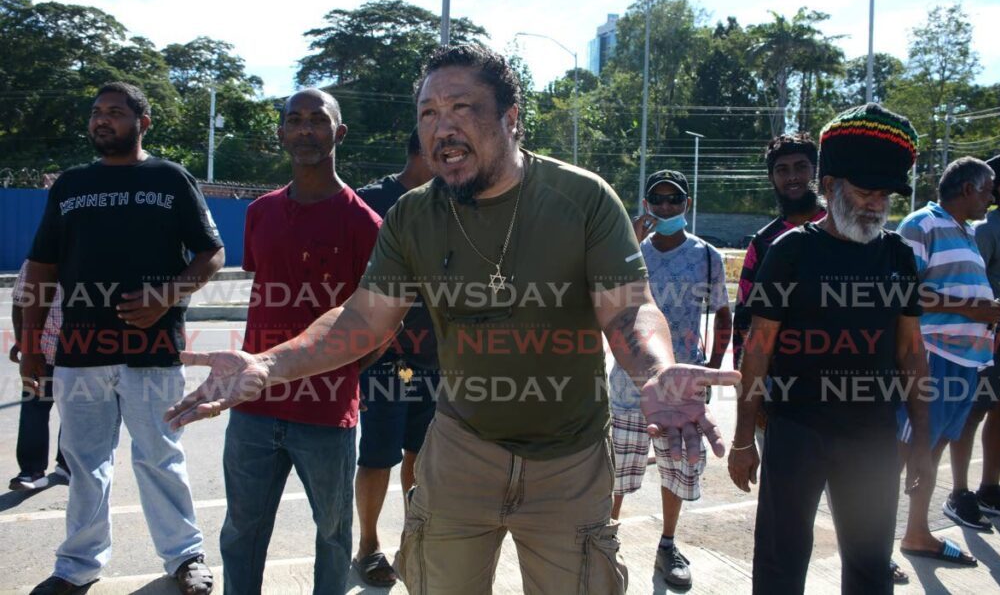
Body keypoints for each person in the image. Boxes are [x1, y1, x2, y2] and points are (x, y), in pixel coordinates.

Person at [165, 44, 740, 595]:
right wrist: (266, 364)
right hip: (459, 452)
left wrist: (656, 370)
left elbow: (630, 307)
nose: (441, 127)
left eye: (461, 108)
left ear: (511, 118)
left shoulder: (582, 198)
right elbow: (363, 319)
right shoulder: (413, 216)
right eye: (428, 113)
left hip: (570, 462)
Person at [21, 82, 223, 595]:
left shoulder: (171, 179)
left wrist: (167, 295)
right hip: (79, 351)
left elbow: (211, 253)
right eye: (96, 113)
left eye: (114, 112)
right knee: (85, 464)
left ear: (144, 122)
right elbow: (42, 267)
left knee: (160, 455)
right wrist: (29, 346)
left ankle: (185, 558)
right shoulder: (68, 186)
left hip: (153, 351)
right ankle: (77, 566)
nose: (101, 121)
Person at [728, 103, 934, 595]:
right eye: (865, 190)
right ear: (829, 186)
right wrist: (741, 439)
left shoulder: (898, 256)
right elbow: (757, 351)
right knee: (780, 563)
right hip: (798, 430)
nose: (875, 204)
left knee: (869, 564)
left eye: (884, 194)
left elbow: (911, 353)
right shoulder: (791, 252)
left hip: (873, 437)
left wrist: (922, 441)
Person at [218, 89, 382, 595]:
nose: (305, 130)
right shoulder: (261, 213)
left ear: (339, 132)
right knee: (241, 533)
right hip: (253, 403)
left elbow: (378, 326)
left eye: (318, 120)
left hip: (326, 414)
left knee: (332, 536)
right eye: (295, 120)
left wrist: (341, 371)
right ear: (281, 133)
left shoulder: (366, 224)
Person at [609, 169, 731, 589]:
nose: (664, 208)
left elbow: (722, 316)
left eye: (672, 201)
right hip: (629, 384)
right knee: (617, 469)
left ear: (686, 205)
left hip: (683, 390)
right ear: (646, 205)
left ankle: (668, 543)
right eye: (656, 200)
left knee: (678, 468)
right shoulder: (630, 251)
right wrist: (625, 240)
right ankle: (606, 538)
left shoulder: (707, 256)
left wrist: (711, 369)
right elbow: (607, 305)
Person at [895, 157, 1000, 553]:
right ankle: (873, 544)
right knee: (903, 449)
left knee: (935, 445)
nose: (992, 198)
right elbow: (902, 292)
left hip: (966, 360)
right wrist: (971, 309)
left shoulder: (967, 231)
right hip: (932, 356)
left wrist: (986, 310)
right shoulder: (921, 224)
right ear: (967, 189)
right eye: (989, 189)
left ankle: (916, 532)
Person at [352, 128, 439, 588]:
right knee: (380, 455)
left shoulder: (452, 202)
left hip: (439, 354)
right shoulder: (372, 201)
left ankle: (416, 540)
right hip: (387, 357)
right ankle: (368, 546)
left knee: (424, 455)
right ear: (423, 150)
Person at [945, 150, 1000, 525]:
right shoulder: (987, 231)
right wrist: (999, 332)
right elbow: (974, 288)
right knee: (971, 414)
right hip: (995, 343)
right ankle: (959, 492)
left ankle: (989, 488)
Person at [732, 132, 825, 368]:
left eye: (801, 167)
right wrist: (746, 387)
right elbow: (744, 320)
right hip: (782, 380)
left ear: (816, 170)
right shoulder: (762, 243)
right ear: (771, 177)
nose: (792, 177)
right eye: (782, 170)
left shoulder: (843, 230)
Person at [9, 260, 69, 490]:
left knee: (75, 414)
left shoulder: (91, 252)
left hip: (80, 357)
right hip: (42, 354)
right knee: (34, 411)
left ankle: (67, 464)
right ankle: (31, 472)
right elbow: (18, 302)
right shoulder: (35, 261)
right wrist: (23, 344)